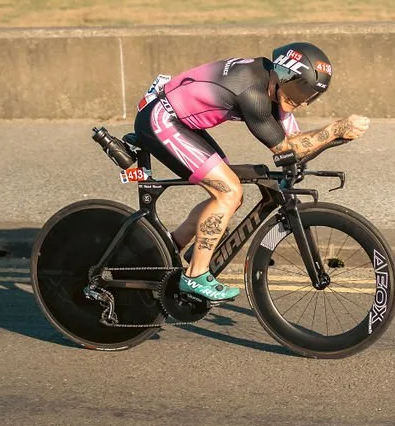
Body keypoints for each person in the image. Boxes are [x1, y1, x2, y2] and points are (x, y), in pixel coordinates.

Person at [132, 43, 369, 303]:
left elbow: (294, 142)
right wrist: (335, 130)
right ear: (283, 75)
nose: (300, 99)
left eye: (309, 94)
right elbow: (288, 147)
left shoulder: (274, 84)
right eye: (299, 89)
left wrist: (319, 143)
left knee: (230, 192)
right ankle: (195, 275)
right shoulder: (253, 94)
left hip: (180, 119)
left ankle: (168, 247)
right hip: (161, 119)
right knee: (228, 191)